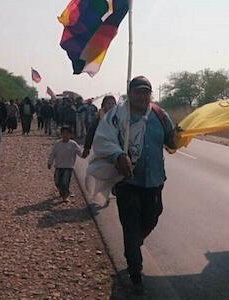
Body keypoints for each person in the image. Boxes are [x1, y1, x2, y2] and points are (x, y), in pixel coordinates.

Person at [92, 76, 176, 295]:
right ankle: (135, 273)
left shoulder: (159, 114)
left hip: (155, 180)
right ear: (130, 94)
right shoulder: (117, 116)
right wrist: (118, 155)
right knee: (130, 226)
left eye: (146, 92)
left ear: (151, 95)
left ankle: (134, 246)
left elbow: (171, 139)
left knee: (152, 217)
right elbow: (102, 140)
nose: (142, 96)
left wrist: (183, 135)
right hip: (127, 182)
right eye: (138, 92)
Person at [48, 126, 82, 202]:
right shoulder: (57, 144)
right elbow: (53, 154)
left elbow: (80, 152)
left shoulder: (73, 144)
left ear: (71, 135)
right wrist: (50, 162)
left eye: (67, 133)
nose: (65, 135)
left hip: (68, 166)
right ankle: (62, 192)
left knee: (65, 181)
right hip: (58, 166)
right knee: (57, 181)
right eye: (63, 133)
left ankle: (65, 195)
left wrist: (84, 154)